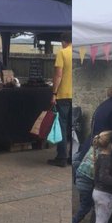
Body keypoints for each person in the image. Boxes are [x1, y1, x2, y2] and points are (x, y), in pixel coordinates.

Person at [49, 39, 73, 167]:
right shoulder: (80, 51)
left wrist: (54, 93)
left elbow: (58, 75)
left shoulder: (62, 53)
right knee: (73, 127)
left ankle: (61, 157)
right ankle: (72, 157)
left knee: (62, 126)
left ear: (64, 41)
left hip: (63, 94)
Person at [72, 140, 96, 223]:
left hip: (80, 179)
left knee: (83, 203)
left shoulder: (90, 148)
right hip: (86, 183)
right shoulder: (97, 155)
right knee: (86, 205)